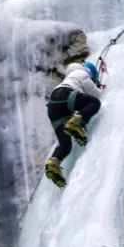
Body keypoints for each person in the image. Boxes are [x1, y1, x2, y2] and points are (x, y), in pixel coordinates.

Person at [44, 59, 104, 188]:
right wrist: (102, 89)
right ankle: (76, 123)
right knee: (94, 103)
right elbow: (95, 94)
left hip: (53, 108)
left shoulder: (70, 77)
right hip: (65, 96)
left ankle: (53, 163)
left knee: (65, 146)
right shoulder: (82, 73)